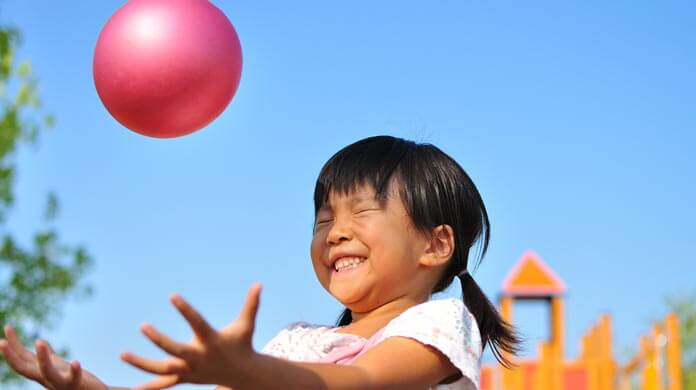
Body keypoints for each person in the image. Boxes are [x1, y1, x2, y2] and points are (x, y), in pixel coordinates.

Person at [0, 135, 520, 389]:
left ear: (436, 245)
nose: (335, 233)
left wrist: (247, 369)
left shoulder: (440, 323)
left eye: (361, 212)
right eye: (322, 220)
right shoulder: (295, 342)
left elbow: (358, 383)